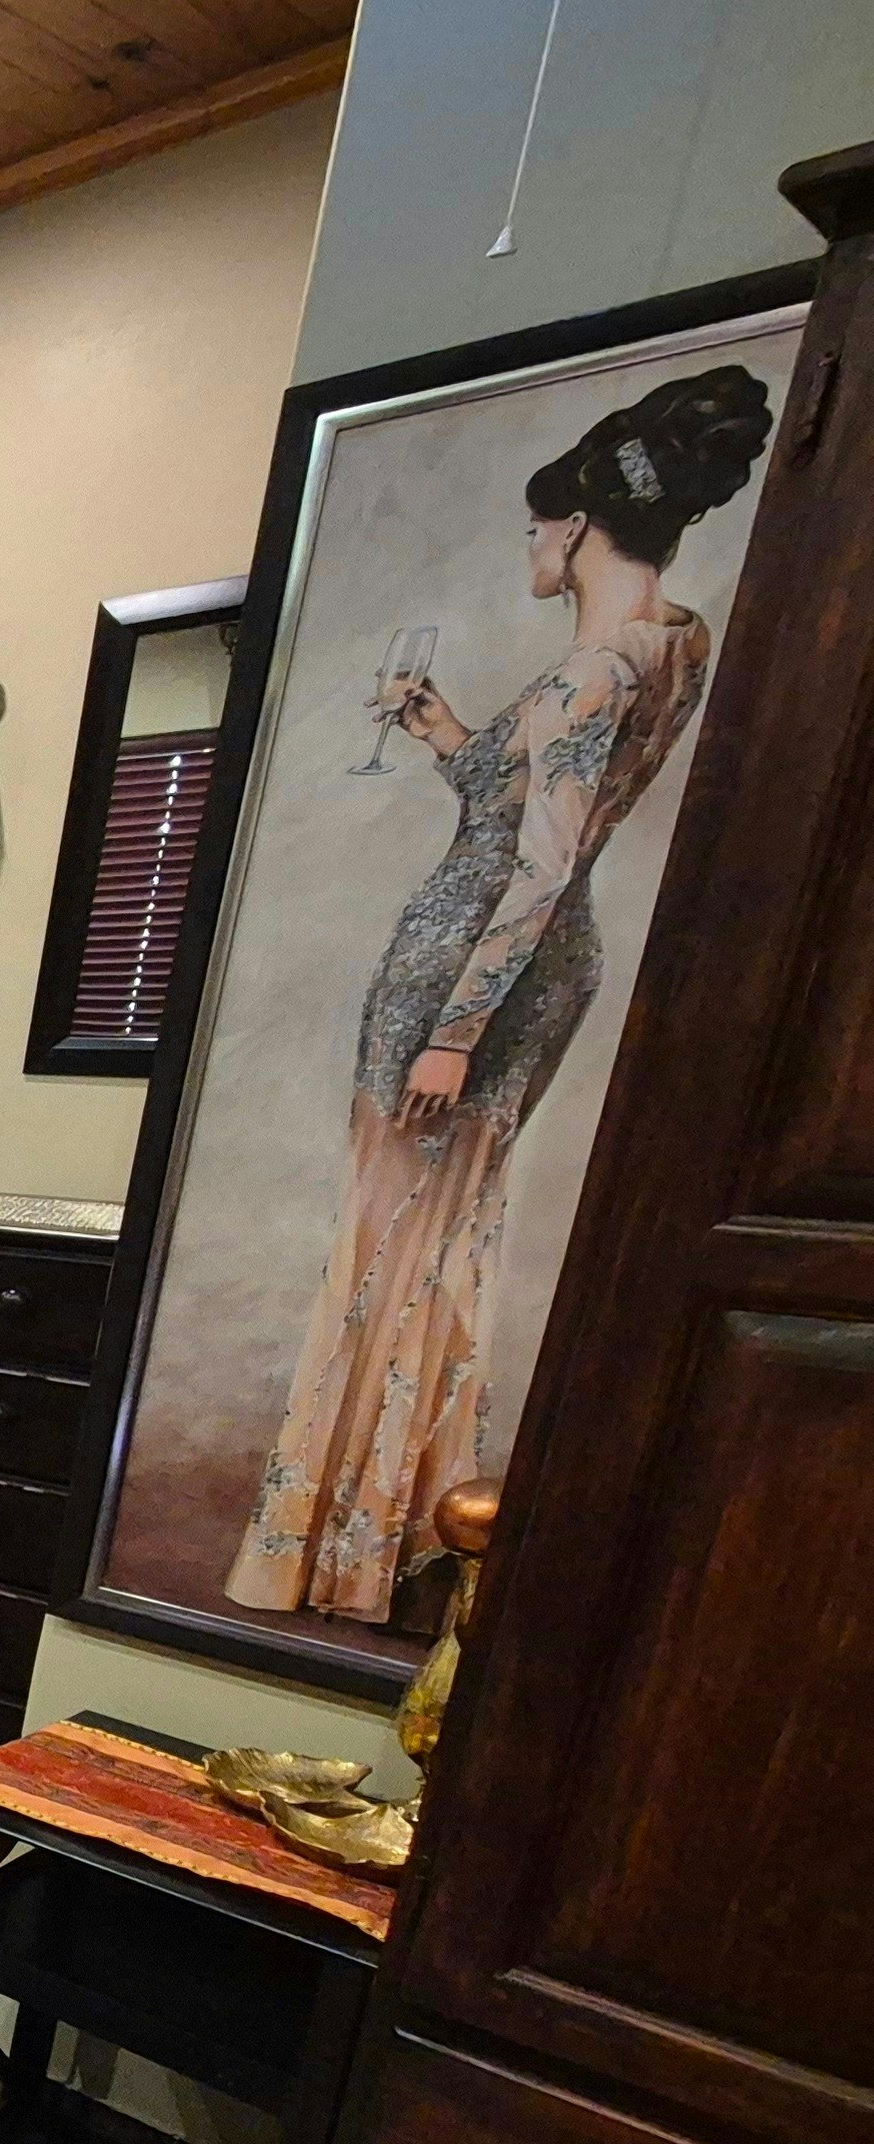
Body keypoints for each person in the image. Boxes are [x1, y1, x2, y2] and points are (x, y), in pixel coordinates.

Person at [225, 364, 774, 1625]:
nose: (530, 550)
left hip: (468, 964)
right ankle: (390, 1522)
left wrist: (452, 1036)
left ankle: (337, 1537)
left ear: (575, 527)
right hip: (545, 960)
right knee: (438, 1233)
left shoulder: (590, 672)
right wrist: (442, 731)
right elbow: (517, 803)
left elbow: (537, 864)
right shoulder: (676, 641)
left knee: (391, 1231)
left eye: (536, 529)